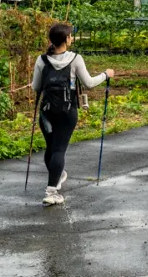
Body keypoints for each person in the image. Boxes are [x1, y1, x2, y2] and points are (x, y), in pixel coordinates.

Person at [31, 23, 113, 206]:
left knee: (51, 149)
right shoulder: (76, 58)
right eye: (70, 36)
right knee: (59, 150)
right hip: (68, 112)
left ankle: (57, 176)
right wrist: (106, 74)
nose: (72, 38)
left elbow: (36, 87)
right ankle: (52, 191)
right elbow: (89, 83)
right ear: (66, 39)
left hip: (46, 114)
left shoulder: (41, 60)